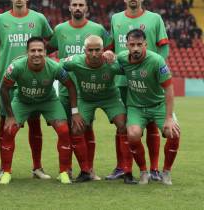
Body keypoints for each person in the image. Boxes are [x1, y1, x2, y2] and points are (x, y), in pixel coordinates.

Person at [0, 37, 83, 184]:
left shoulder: (55, 67)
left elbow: (70, 86)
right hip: (23, 101)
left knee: (64, 130)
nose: (36, 54)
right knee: (9, 130)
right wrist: (10, 115)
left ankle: (63, 172)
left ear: (45, 52)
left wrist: (75, 112)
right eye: (33, 50)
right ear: (27, 52)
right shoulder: (17, 66)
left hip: (48, 101)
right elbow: (4, 89)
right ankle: (6, 172)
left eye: (40, 50)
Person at [47, 0, 113, 181]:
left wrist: (108, 54)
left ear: (86, 8)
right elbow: (47, 48)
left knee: (87, 128)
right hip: (65, 89)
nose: (77, 8)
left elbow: (108, 51)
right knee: (64, 130)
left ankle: (89, 169)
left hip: (87, 91)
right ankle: (66, 169)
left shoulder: (98, 29)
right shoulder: (60, 29)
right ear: (69, 8)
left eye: (80, 5)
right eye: (74, 4)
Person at [0, 0, 53, 180]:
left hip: (32, 80)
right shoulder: (0, 19)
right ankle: (3, 168)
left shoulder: (39, 18)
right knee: (5, 126)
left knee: (35, 124)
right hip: (8, 79)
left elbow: (48, 40)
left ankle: (37, 167)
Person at [61, 35, 136, 184]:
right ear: (84, 50)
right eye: (90, 50)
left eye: (97, 50)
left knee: (123, 125)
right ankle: (85, 171)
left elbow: (131, 66)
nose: (94, 54)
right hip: (86, 100)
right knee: (76, 129)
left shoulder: (111, 63)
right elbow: (56, 67)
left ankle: (127, 172)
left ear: (103, 50)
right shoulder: (76, 61)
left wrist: (114, 56)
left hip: (110, 99)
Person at [109, 0, 169, 181]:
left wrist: (156, 71)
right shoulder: (116, 18)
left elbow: (163, 47)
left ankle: (154, 169)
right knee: (123, 125)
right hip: (122, 80)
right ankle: (122, 167)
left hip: (147, 79)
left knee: (151, 124)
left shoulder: (155, 18)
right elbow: (112, 47)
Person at [118, 29, 180, 185]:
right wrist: (107, 55)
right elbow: (108, 63)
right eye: (132, 45)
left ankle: (166, 172)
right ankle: (144, 172)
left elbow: (169, 89)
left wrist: (168, 118)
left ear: (145, 44)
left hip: (158, 105)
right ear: (126, 45)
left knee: (173, 133)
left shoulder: (157, 60)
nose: (136, 48)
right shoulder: (122, 59)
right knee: (132, 134)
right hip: (136, 107)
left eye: (139, 44)